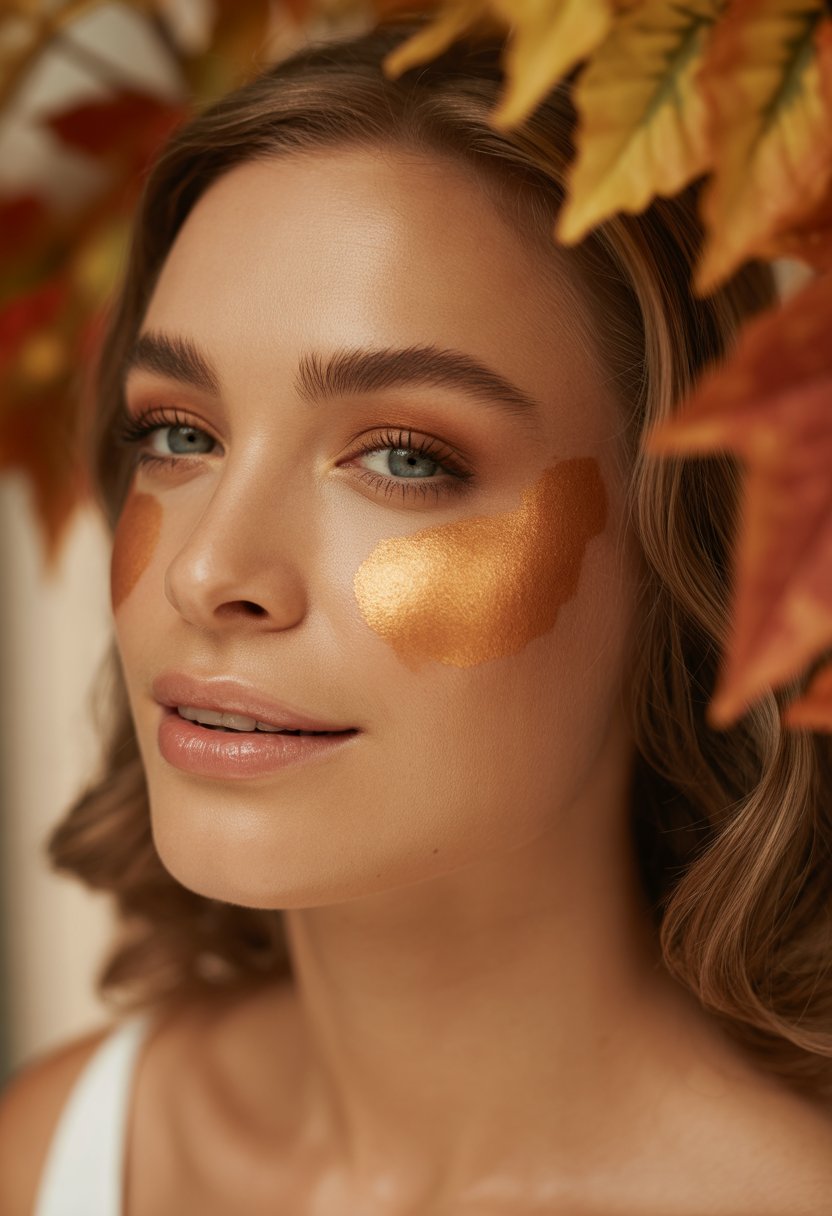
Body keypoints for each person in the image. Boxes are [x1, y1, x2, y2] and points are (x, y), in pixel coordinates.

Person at [2, 14, 832, 1215]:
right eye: (177, 434)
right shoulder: (66, 1149)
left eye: (401, 458)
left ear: (683, 548)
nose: (209, 571)